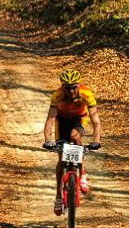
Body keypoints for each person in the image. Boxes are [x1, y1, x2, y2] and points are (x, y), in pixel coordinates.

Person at [42, 69, 102, 216]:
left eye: (74, 87)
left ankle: (81, 175)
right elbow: (50, 120)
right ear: (63, 87)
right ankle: (58, 197)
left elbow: (96, 121)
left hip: (79, 120)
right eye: (67, 88)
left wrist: (96, 141)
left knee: (75, 137)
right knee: (62, 159)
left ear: (78, 85)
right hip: (61, 122)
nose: (71, 91)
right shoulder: (57, 95)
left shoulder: (86, 94)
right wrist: (48, 140)